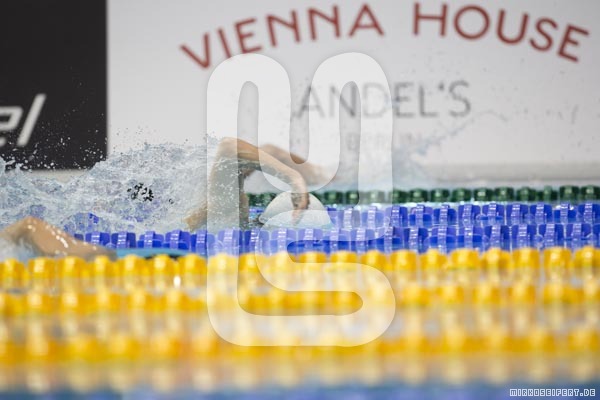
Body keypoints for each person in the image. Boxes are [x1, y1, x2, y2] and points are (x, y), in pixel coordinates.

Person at [0, 138, 321, 260]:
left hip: (131, 258)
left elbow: (234, 151)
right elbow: (230, 149)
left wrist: (293, 178)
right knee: (28, 228)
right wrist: (294, 177)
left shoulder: (229, 222)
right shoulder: (232, 224)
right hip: (144, 257)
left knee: (28, 227)